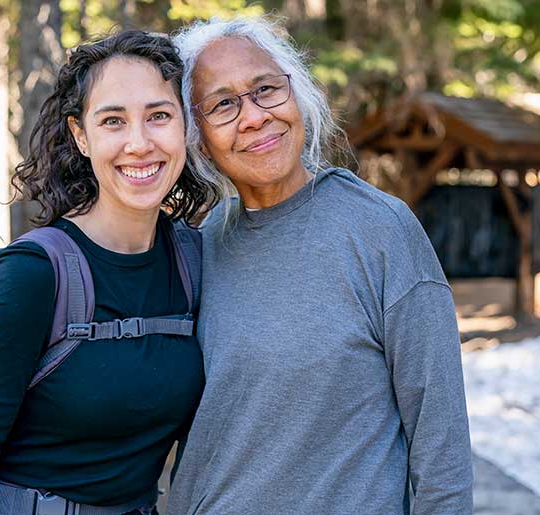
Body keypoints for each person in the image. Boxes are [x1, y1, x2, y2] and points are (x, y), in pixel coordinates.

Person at [166, 17, 474, 515]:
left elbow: (443, 459)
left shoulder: (381, 231)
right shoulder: (204, 244)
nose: (254, 116)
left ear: (298, 94)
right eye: (223, 104)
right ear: (196, 135)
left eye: (266, 89)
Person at [0, 30, 217, 515]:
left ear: (184, 128)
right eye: (113, 121)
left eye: (158, 116)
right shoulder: (34, 274)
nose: (139, 143)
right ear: (80, 136)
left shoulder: (194, 260)